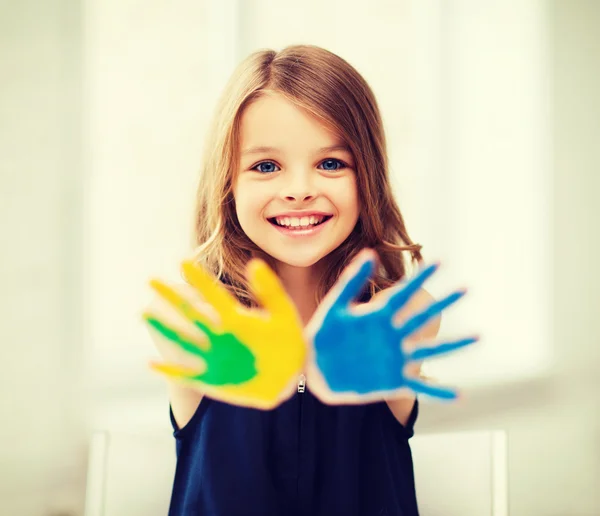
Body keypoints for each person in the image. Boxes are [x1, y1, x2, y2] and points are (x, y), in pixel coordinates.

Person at [148, 44, 444, 516]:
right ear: (228, 185)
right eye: (266, 166)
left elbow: (412, 317)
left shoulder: (397, 317)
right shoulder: (197, 319)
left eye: (331, 163)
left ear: (366, 176)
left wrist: (313, 356)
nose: (299, 188)